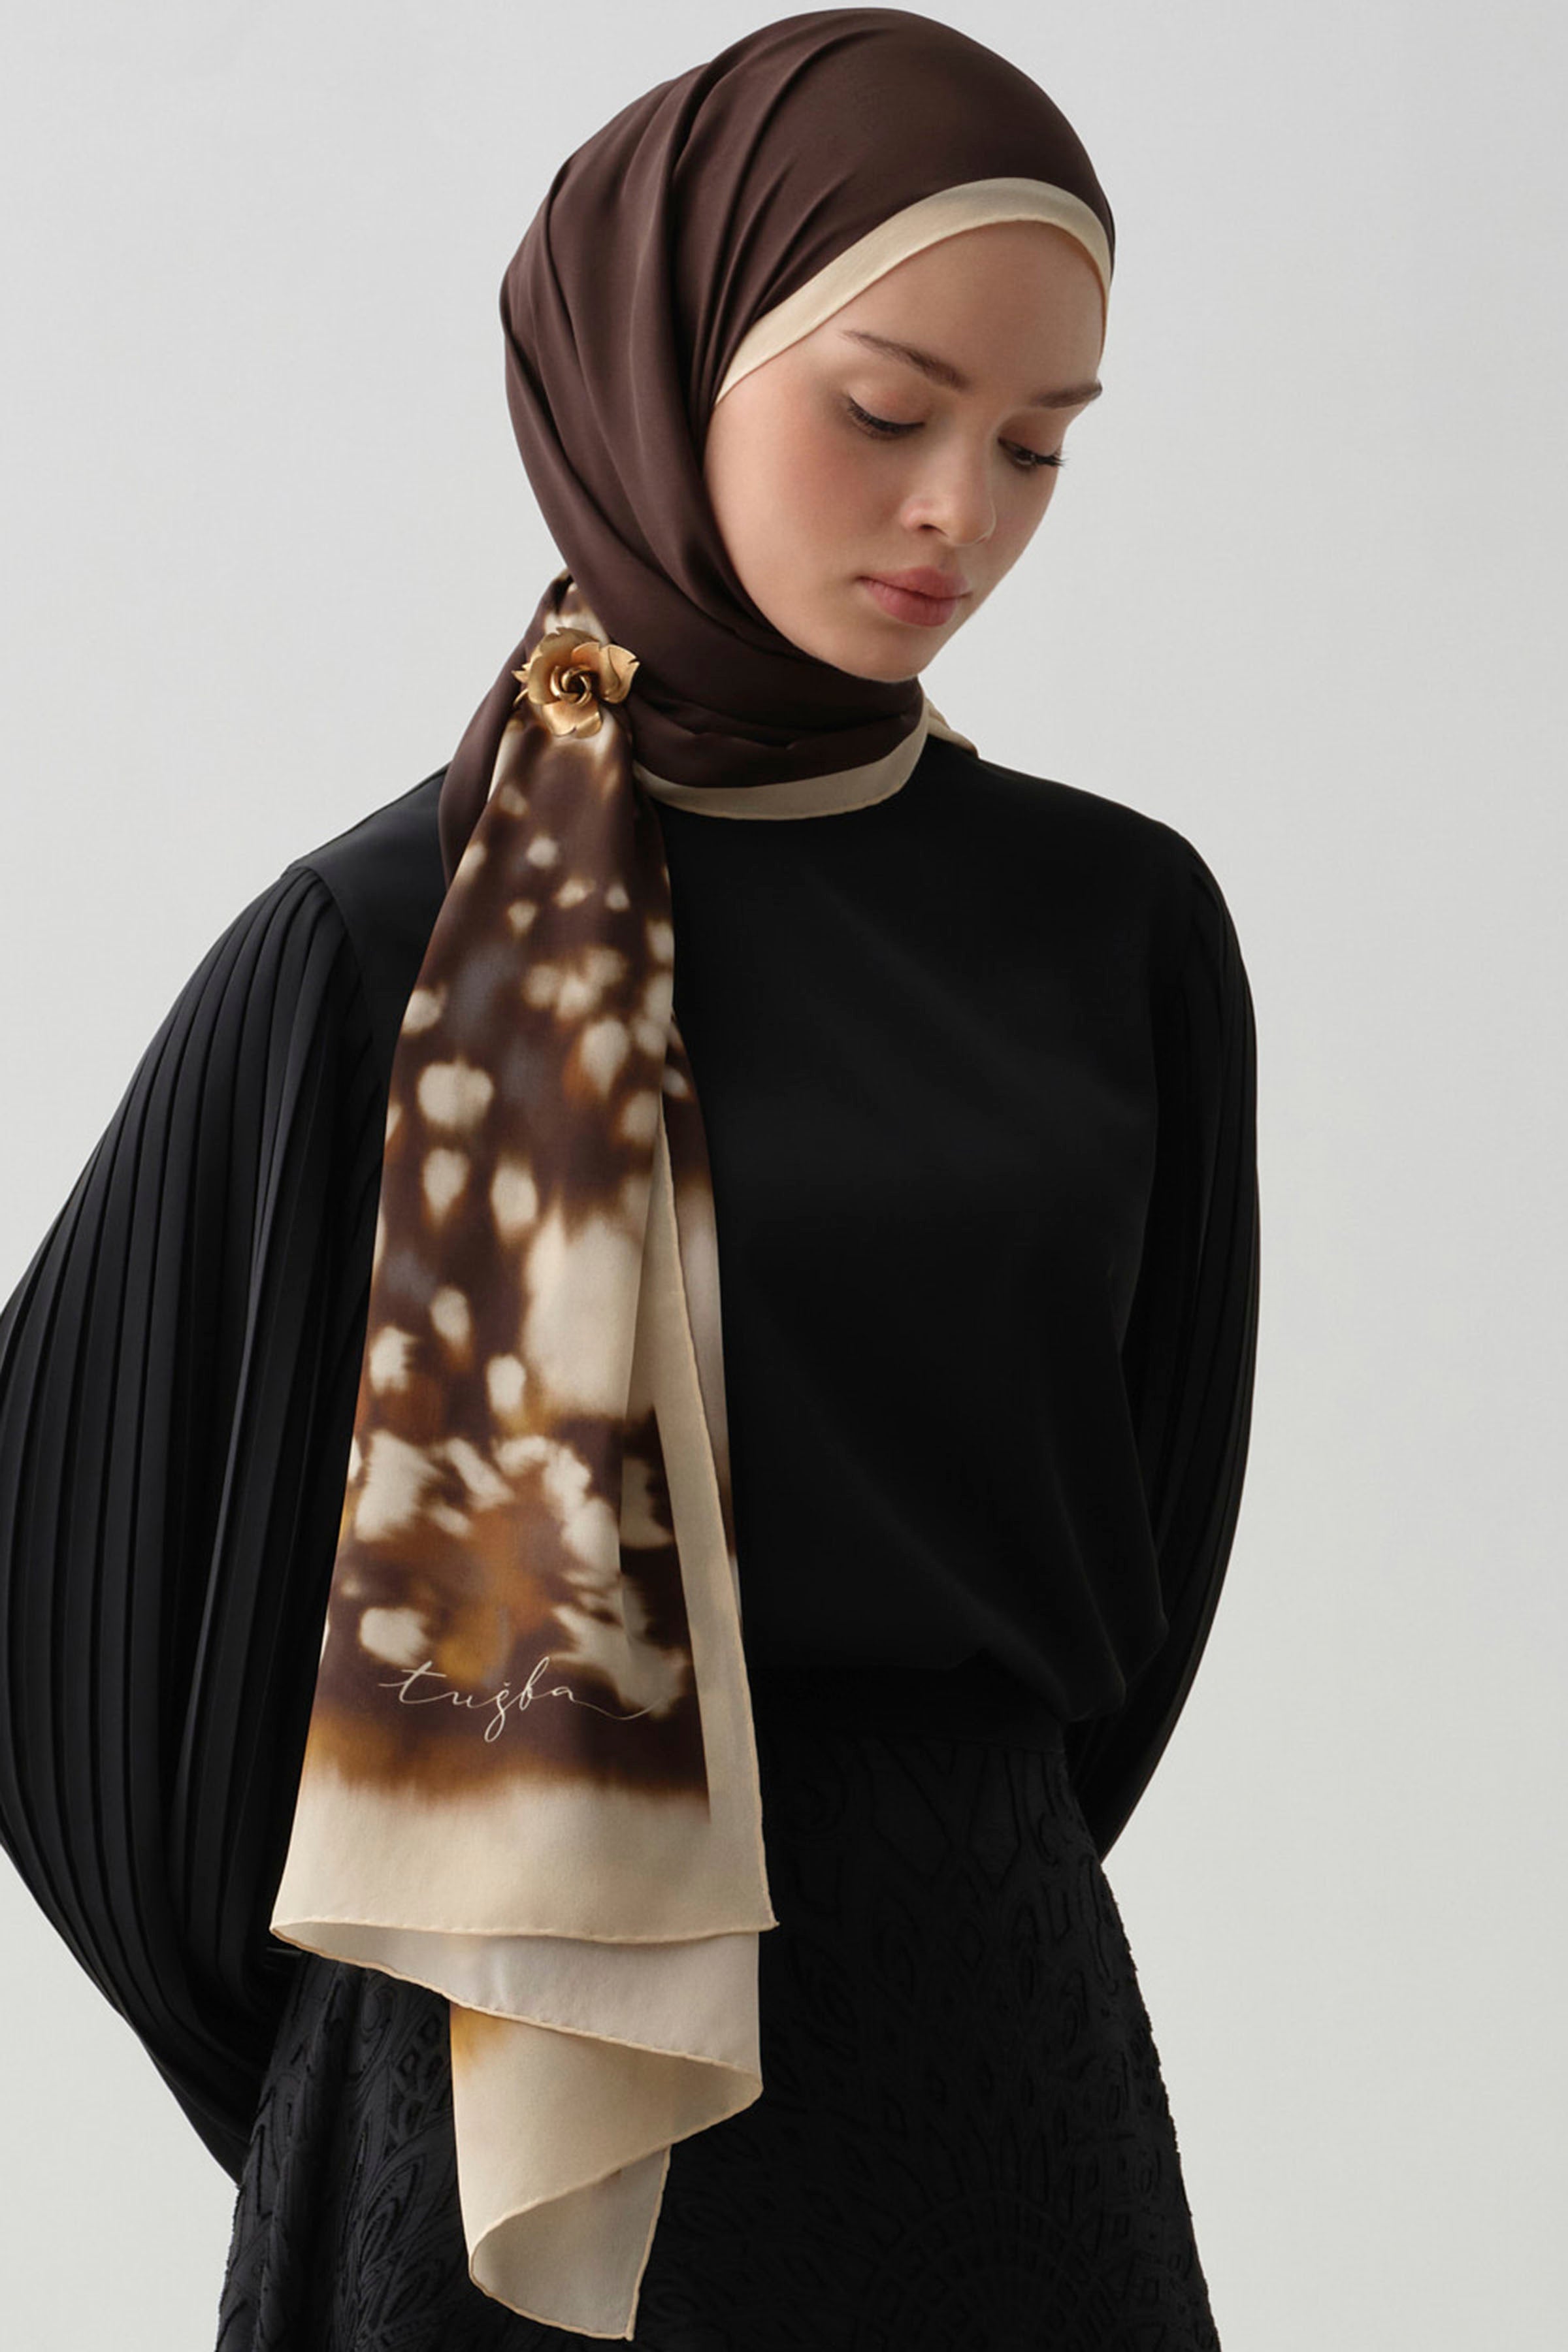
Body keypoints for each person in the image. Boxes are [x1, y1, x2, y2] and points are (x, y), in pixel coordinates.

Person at [0, 10, 1260, 2348]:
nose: (961, 513)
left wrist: (923, 1857)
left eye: (1037, 446)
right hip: (481, 2075)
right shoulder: (380, 947)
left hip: (982, 2063)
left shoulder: (1116, 930)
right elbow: (68, 1589)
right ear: (654, 362)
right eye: (885, 411)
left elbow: (1146, 1547)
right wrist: (347, 2048)